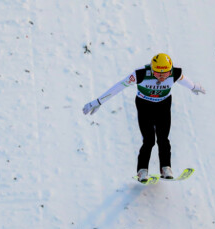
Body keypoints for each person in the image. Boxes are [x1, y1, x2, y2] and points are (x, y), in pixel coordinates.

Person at [82, 53, 205, 182]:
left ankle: (166, 167)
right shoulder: (140, 74)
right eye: (158, 73)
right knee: (149, 140)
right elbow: (118, 87)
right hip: (144, 106)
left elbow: (186, 82)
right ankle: (142, 170)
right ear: (152, 69)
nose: (162, 76)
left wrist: (194, 87)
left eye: (166, 73)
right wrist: (98, 102)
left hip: (163, 105)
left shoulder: (175, 73)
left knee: (163, 138)